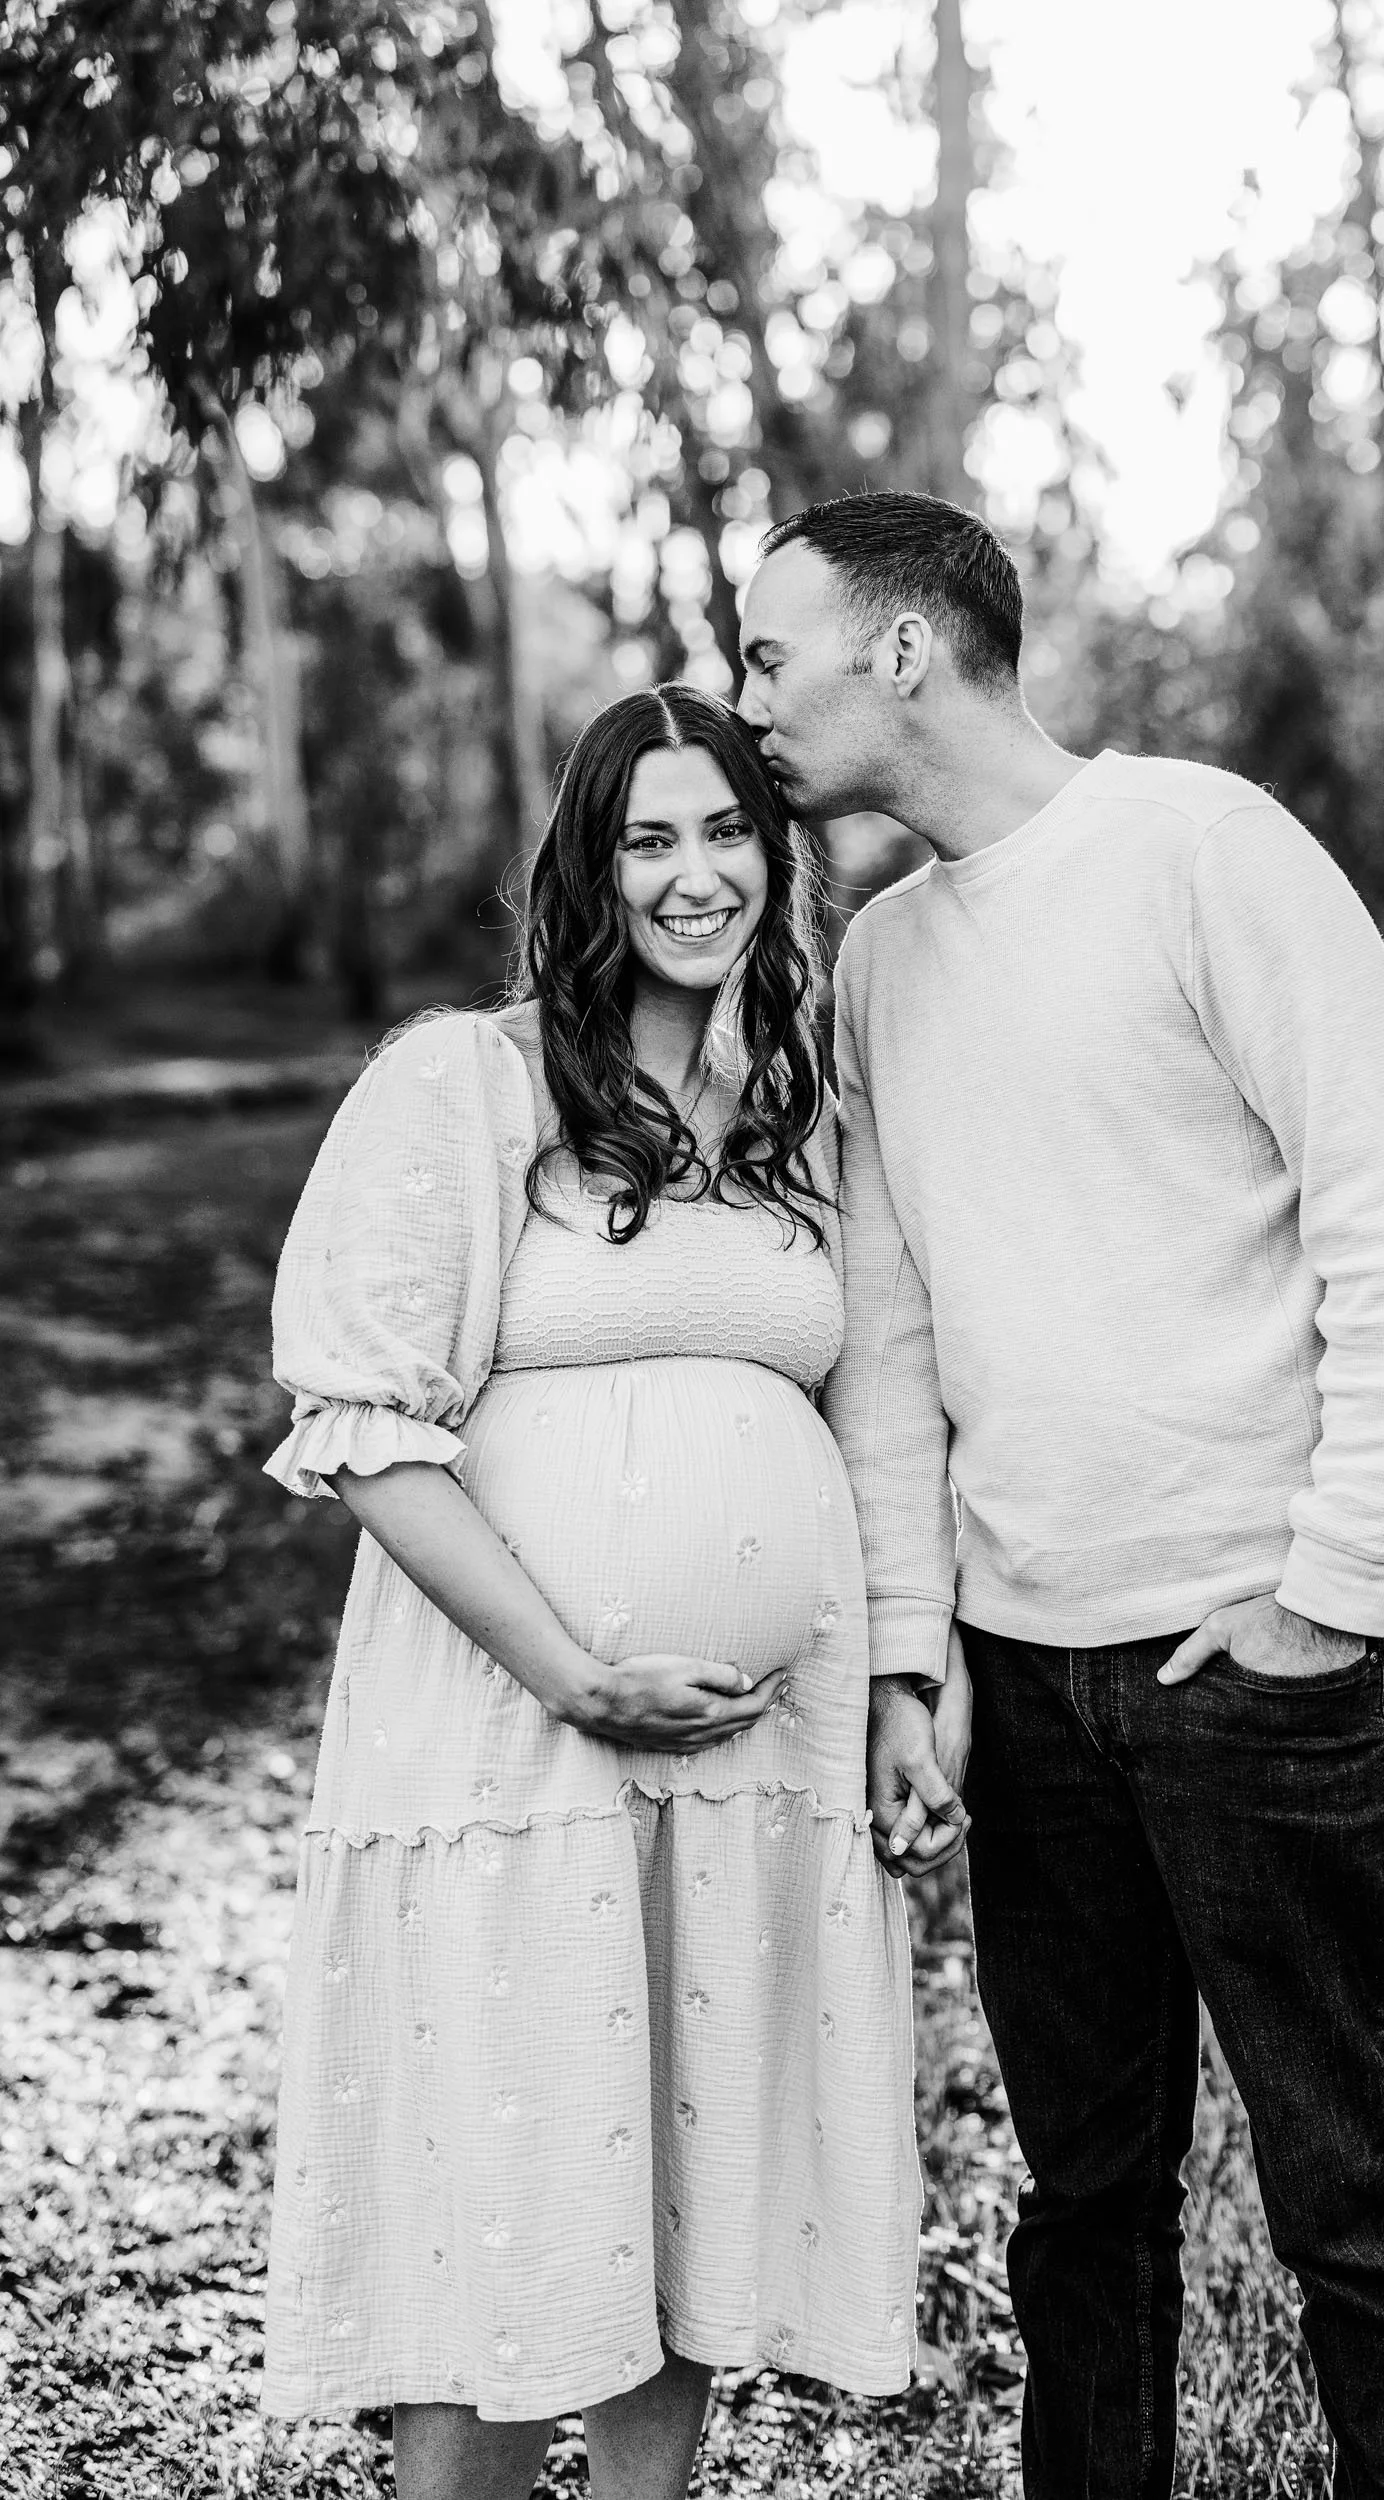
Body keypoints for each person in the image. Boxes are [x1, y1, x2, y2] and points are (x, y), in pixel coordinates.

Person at [738, 490, 1384, 2500]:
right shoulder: (880, 961)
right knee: (1082, 2205)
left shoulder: (1202, 852)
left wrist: (1330, 1590)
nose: (749, 702)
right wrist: (913, 1656)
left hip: (1263, 1657)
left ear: (902, 649)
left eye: (770, 654)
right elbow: (887, 1336)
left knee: (1347, 2204)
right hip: (1027, 1670)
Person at [258, 685, 944, 2500]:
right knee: (509, 2175)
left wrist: (903, 1686)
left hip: (757, 1754)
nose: (694, 874)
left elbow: (884, 1404)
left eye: (726, 831)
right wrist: (572, 1670)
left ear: (774, 858)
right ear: (589, 868)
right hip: (516, 1737)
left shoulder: (809, 1113)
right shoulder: (465, 1084)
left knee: (685, 2186)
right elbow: (366, 1434)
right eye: (648, 839)